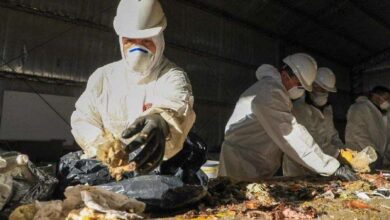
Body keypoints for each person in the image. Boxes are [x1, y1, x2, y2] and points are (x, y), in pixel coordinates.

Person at [70, 0, 204, 179]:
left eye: (146, 41)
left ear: (159, 39)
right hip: (110, 169)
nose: (137, 48)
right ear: (121, 40)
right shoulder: (103, 76)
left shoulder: (172, 76)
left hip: (158, 171)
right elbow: (83, 118)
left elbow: (177, 104)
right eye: (130, 41)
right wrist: (103, 147)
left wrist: (162, 119)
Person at [218, 53, 357, 182]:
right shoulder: (269, 93)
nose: (300, 90)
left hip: (254, 160)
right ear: (285, 75)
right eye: (299, 85)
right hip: (242, 162)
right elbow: (290, 133)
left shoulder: (276, 92)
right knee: (237, 203)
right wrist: (330, 166)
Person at [283, 67, 344, 176]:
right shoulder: (299, 109)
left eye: (324, 90)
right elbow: (311, 142)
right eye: (317, 88)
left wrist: (344, 150)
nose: (321, 92)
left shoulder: (327, 110)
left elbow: (333, 136)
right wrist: (337, 154)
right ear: (310, 87)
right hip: (299, 171)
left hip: (325, 167)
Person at [345, 86, 390, 169]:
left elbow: (385, 139)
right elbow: (358, 134)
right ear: (376, 97)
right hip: (360, 158)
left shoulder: (379, 113)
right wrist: (374, 153)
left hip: (374, 159)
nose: (388, 102)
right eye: (387, 98)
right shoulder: (359, 108)